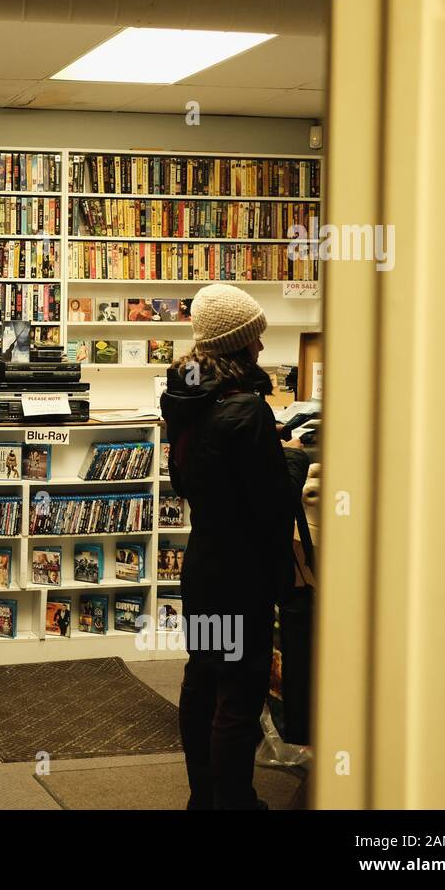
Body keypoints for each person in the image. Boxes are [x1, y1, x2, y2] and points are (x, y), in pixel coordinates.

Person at [159, 284, 295, 811]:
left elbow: (193, 479)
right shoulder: (248, 412)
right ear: (239, 345)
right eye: (255, 339)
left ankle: (204, 798)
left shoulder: (186, 399)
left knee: (203, 679)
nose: (261, 348)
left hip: (204, 564)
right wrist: (286, 458)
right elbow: (269, 505)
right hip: (243, 574)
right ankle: (235, 802)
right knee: (239, 691)